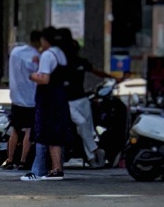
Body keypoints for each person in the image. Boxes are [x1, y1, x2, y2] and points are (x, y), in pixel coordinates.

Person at [21, 27, 71, 182]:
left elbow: (44, 79)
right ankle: (56, 168)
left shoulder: (48, 55)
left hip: (48, 99)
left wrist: (31, 76)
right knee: (55, 134)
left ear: (45, 40)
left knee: (46, 134)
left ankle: (45, 170)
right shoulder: (59, 53)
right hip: (59, 97)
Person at [59, 28, 110, 167]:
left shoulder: (81, 62)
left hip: (82, 98)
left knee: (87, 128)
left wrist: (112, 76)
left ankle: (92, 158)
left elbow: (95, 71)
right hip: (68, 101)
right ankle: (95, 150)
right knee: (81, 123)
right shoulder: (61, 64)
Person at [5, 30, 40, 170]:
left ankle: (9, 160)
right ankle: (23, 161)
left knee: (15, 130)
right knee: (29, 132)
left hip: (16, 98)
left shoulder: (15, 52)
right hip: (31, 99)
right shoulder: (36, 56)